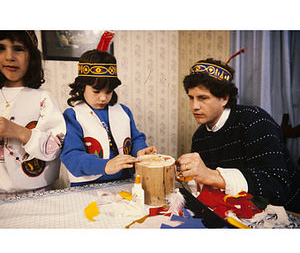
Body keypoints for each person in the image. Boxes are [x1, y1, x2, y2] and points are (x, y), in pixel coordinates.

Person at [176, 56, 300, 213]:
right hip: (239, 212)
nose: (194, 106)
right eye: (191, 98)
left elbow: (277, 187)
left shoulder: (255, 120)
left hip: (288, 211)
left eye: (203, 98)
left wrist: (212, 176)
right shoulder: (199, 136)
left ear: (224, 99)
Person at [61, 49, 157, 187]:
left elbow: (135, 139)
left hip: (125, 182)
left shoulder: (124, 111)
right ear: (82, 87)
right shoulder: (73, 116)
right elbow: (72, 156)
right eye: (96, 91)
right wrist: (106, 165)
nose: (103, 98)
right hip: (87, 187)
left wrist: (140, 150)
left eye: (108, 91)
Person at [0, 30, 66, 199]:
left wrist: (20, 132)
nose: (9, 57)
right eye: (1, 48)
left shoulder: (43, 98)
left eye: (18, 49)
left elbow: (55, 147)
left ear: (32, 57)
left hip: (36, 193)